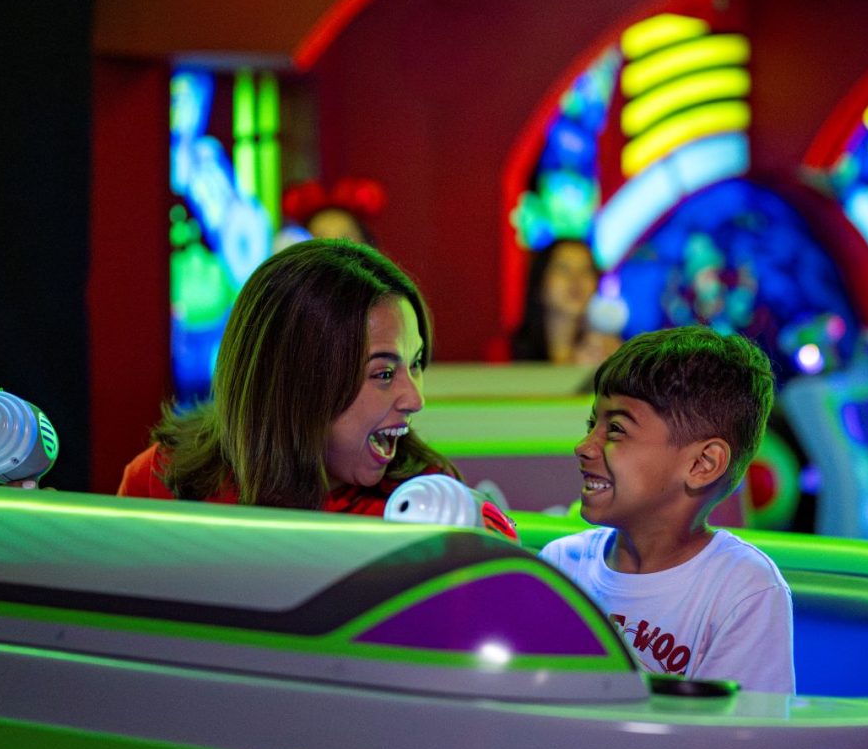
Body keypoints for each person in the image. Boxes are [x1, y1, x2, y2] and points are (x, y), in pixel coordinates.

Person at [538, 327, 794, 694]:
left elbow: (739, 740)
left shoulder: (744, 590)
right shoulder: (560, 565)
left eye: (615, 430)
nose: (583, 446)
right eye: (591, 424)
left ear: (703, 464)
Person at [118, 238, 456, 513]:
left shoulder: (430, 501)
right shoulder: (160, 480)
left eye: (415, 364)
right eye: (383, 373)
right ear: (294, 383)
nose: (415, 399)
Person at [509, 238, 622, 366]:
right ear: (539, 282)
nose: (576, 279)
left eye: (586, 270)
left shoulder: (609, 352)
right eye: (563, 269)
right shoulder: (506, 355)